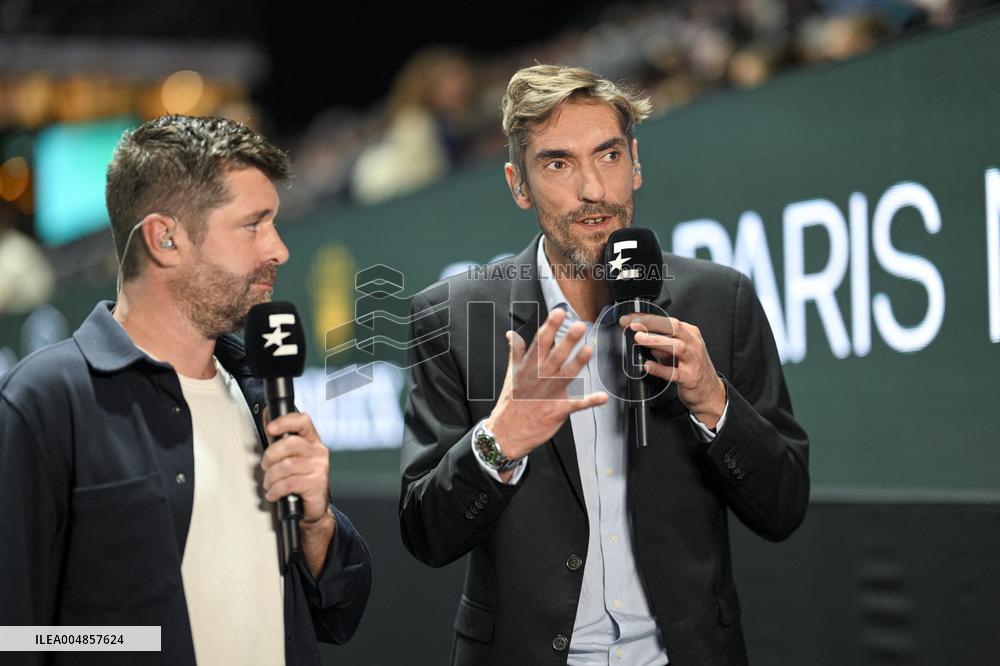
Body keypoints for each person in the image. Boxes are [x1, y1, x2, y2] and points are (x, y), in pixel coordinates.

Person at [399, 65, 809, 665]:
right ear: (519, 185)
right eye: (558, 164)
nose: (593, 189)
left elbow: (784, 507)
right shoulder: (454, 318)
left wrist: (714, 404)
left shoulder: (720, 302)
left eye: (609, 155)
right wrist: (499, 441)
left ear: (635, 162)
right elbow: (426, 533)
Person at [0, 115, 372, 665]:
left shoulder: (259, 389)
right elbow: (14, 635)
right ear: (164, 238)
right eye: (253, 224)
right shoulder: (47, 398)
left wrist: (317, 523)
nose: (279, 249)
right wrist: (135, 641)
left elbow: (339, 613)